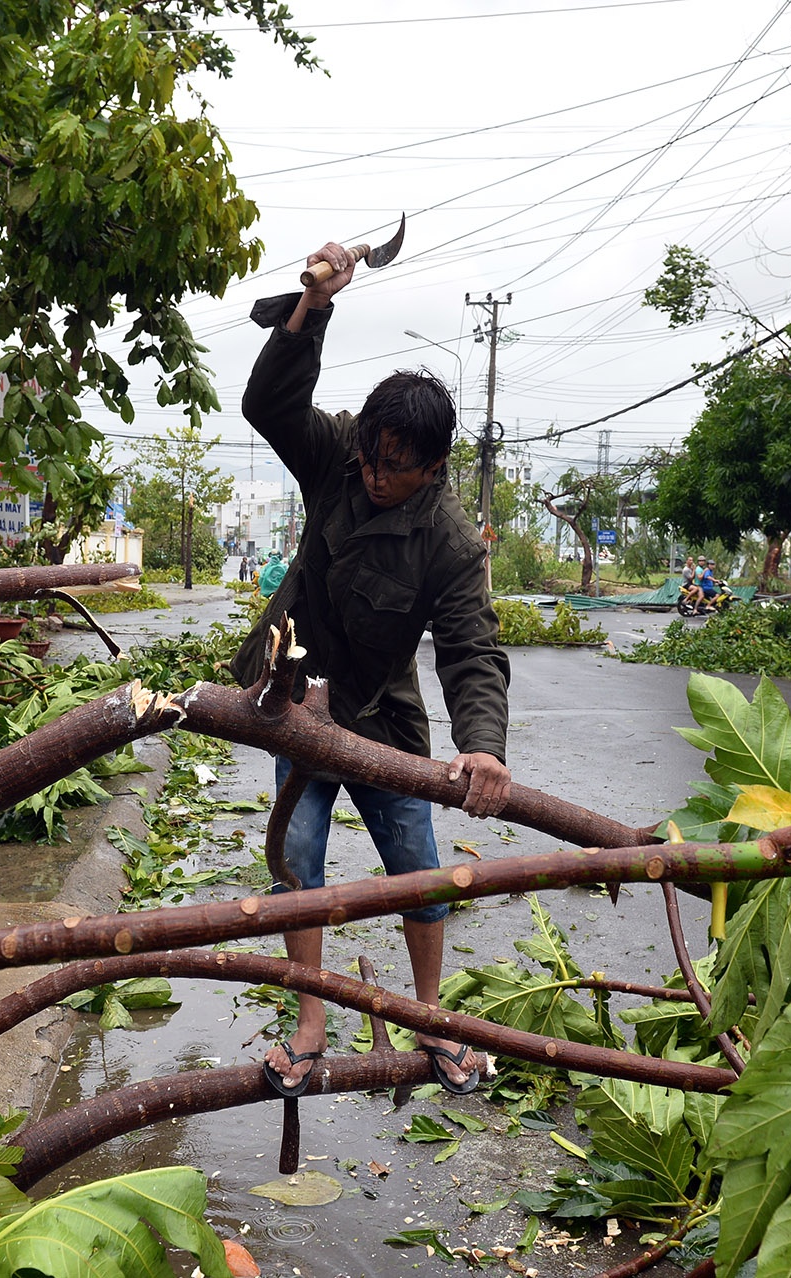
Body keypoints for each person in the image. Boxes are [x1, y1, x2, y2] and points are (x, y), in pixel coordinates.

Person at [237, 240, 512, 1097]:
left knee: (418, 868)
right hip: (299, 691)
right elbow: (268, 401)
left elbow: (471, 649)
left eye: (397, 468)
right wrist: (312, 306)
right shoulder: (337, 454)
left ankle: (430, 1020)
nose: (376, 475)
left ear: (434, 466)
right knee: (300, 859)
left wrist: (484, 747)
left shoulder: (451, 540)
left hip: (382, 713)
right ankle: (311, 1020)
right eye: (371, 457)